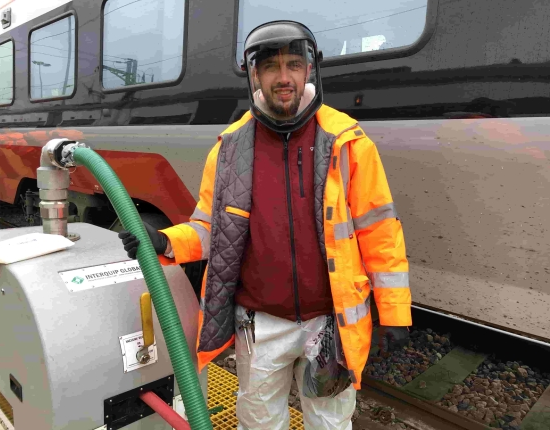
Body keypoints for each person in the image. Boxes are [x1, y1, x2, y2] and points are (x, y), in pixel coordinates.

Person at [118, 20, 412, 430]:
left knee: (329, 423)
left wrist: (394, 312)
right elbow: (209, 228)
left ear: (310, 69)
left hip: (328, 322)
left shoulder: (348, 141)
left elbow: (379, 232)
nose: (284, 77)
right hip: (259, 323)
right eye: (272, 67)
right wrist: (165, 241)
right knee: (258, 422)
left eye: (294, 64)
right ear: (254, 75)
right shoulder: (230, 148)